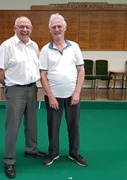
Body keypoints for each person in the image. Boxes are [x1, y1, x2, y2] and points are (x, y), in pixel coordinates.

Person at [0, 16, 46, 179]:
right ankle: (9, 161)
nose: (25, 30)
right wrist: (9, 86)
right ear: (14, 28)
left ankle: (31, 150)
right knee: (12, 126)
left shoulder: (34, 45)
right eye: (21, 26)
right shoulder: (7, 46)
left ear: (31, 29)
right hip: (15, 90)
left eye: (28, 27)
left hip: (32, 88)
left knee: (32, 123)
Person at [39, 13, 88, 167]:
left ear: (65, 28)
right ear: (50, 30)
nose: (57, 29)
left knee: (74, 126)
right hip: (54, 97)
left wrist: (77, 93)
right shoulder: (45, 50)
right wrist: (51, 96)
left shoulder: (74, 47)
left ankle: (74, 153)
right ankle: (53, 153)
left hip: (73, 96)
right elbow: (43, 75)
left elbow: (81, 71)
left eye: (59, 26)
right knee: (53, 127)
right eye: (53, 27)